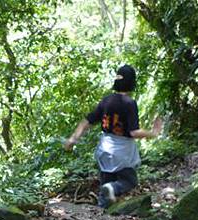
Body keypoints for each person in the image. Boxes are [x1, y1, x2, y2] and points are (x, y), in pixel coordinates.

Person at [64, 65, 163, 208]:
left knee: (106, 188)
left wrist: (73, 139)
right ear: (132, 82)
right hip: (122, 152)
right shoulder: (129, 103)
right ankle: (111, 191)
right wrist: (153, 133)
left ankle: (100, 217)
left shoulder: (106, 101)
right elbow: (133, 132)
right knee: (129, 182)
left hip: (104, 150)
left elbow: (87, 122)